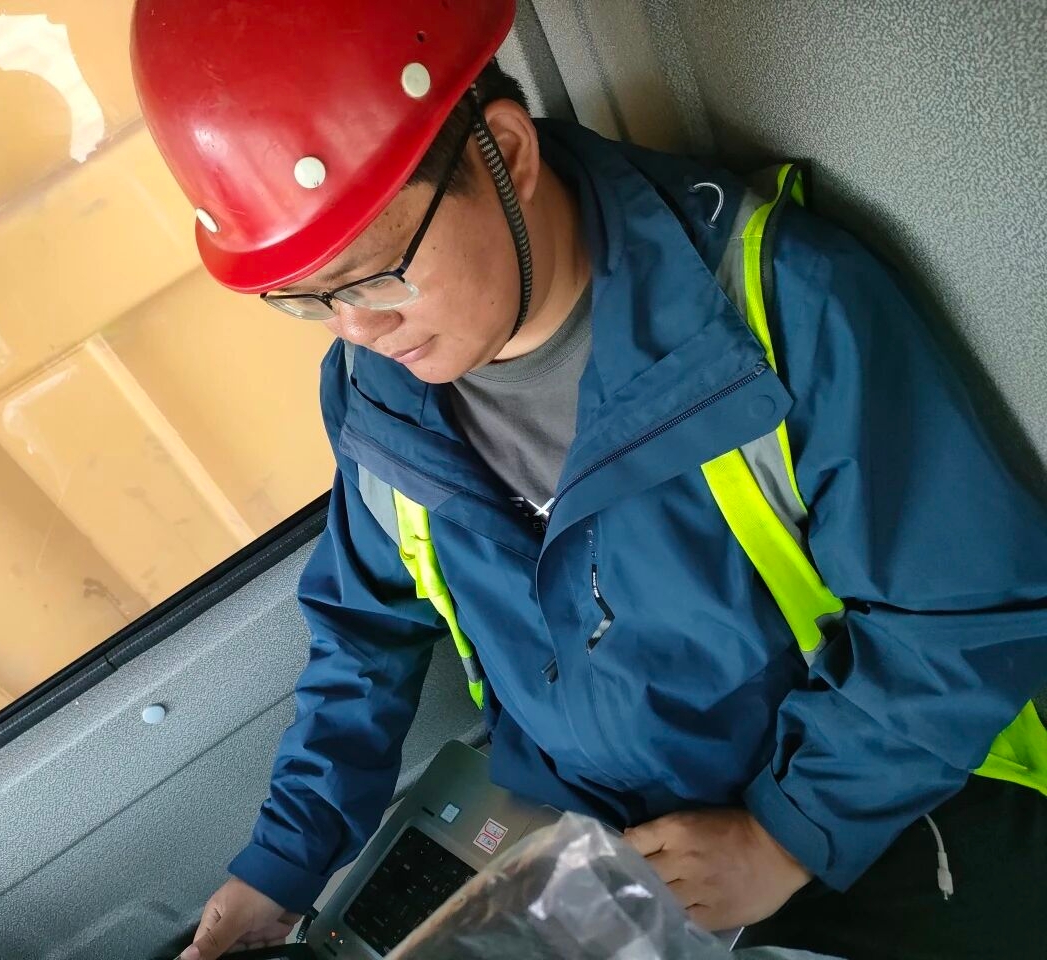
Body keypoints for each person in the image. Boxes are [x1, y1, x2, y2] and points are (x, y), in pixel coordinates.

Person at [130, 2, 1047, 957]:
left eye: (375, 276)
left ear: (505, 155)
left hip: (871, 817)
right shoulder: (378, 395)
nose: (357, 328)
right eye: (304, 299)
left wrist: (787, 834)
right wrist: (283, 865)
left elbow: (965, 611)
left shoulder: (773, 314)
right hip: (590, 846)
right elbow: (365, 634)